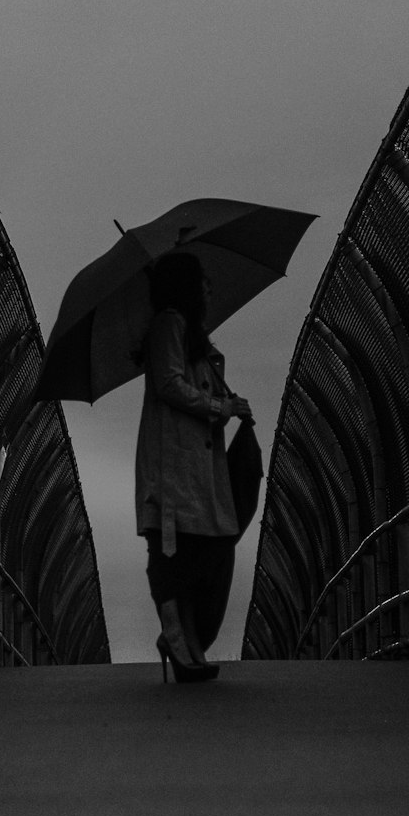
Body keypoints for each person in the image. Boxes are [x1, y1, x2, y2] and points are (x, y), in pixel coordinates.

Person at [134, 251, 252, 683]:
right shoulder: (169, 323)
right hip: (174, 465)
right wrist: (219, 405)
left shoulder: (190, 334)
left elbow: (188, 386)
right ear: (185, 286)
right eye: (201, 280)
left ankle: (185, 640)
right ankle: (180, 641)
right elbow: (168, 384)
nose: (209, 288)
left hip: (195, 466)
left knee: (201, 552)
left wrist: (226, 406)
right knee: (174, 553)